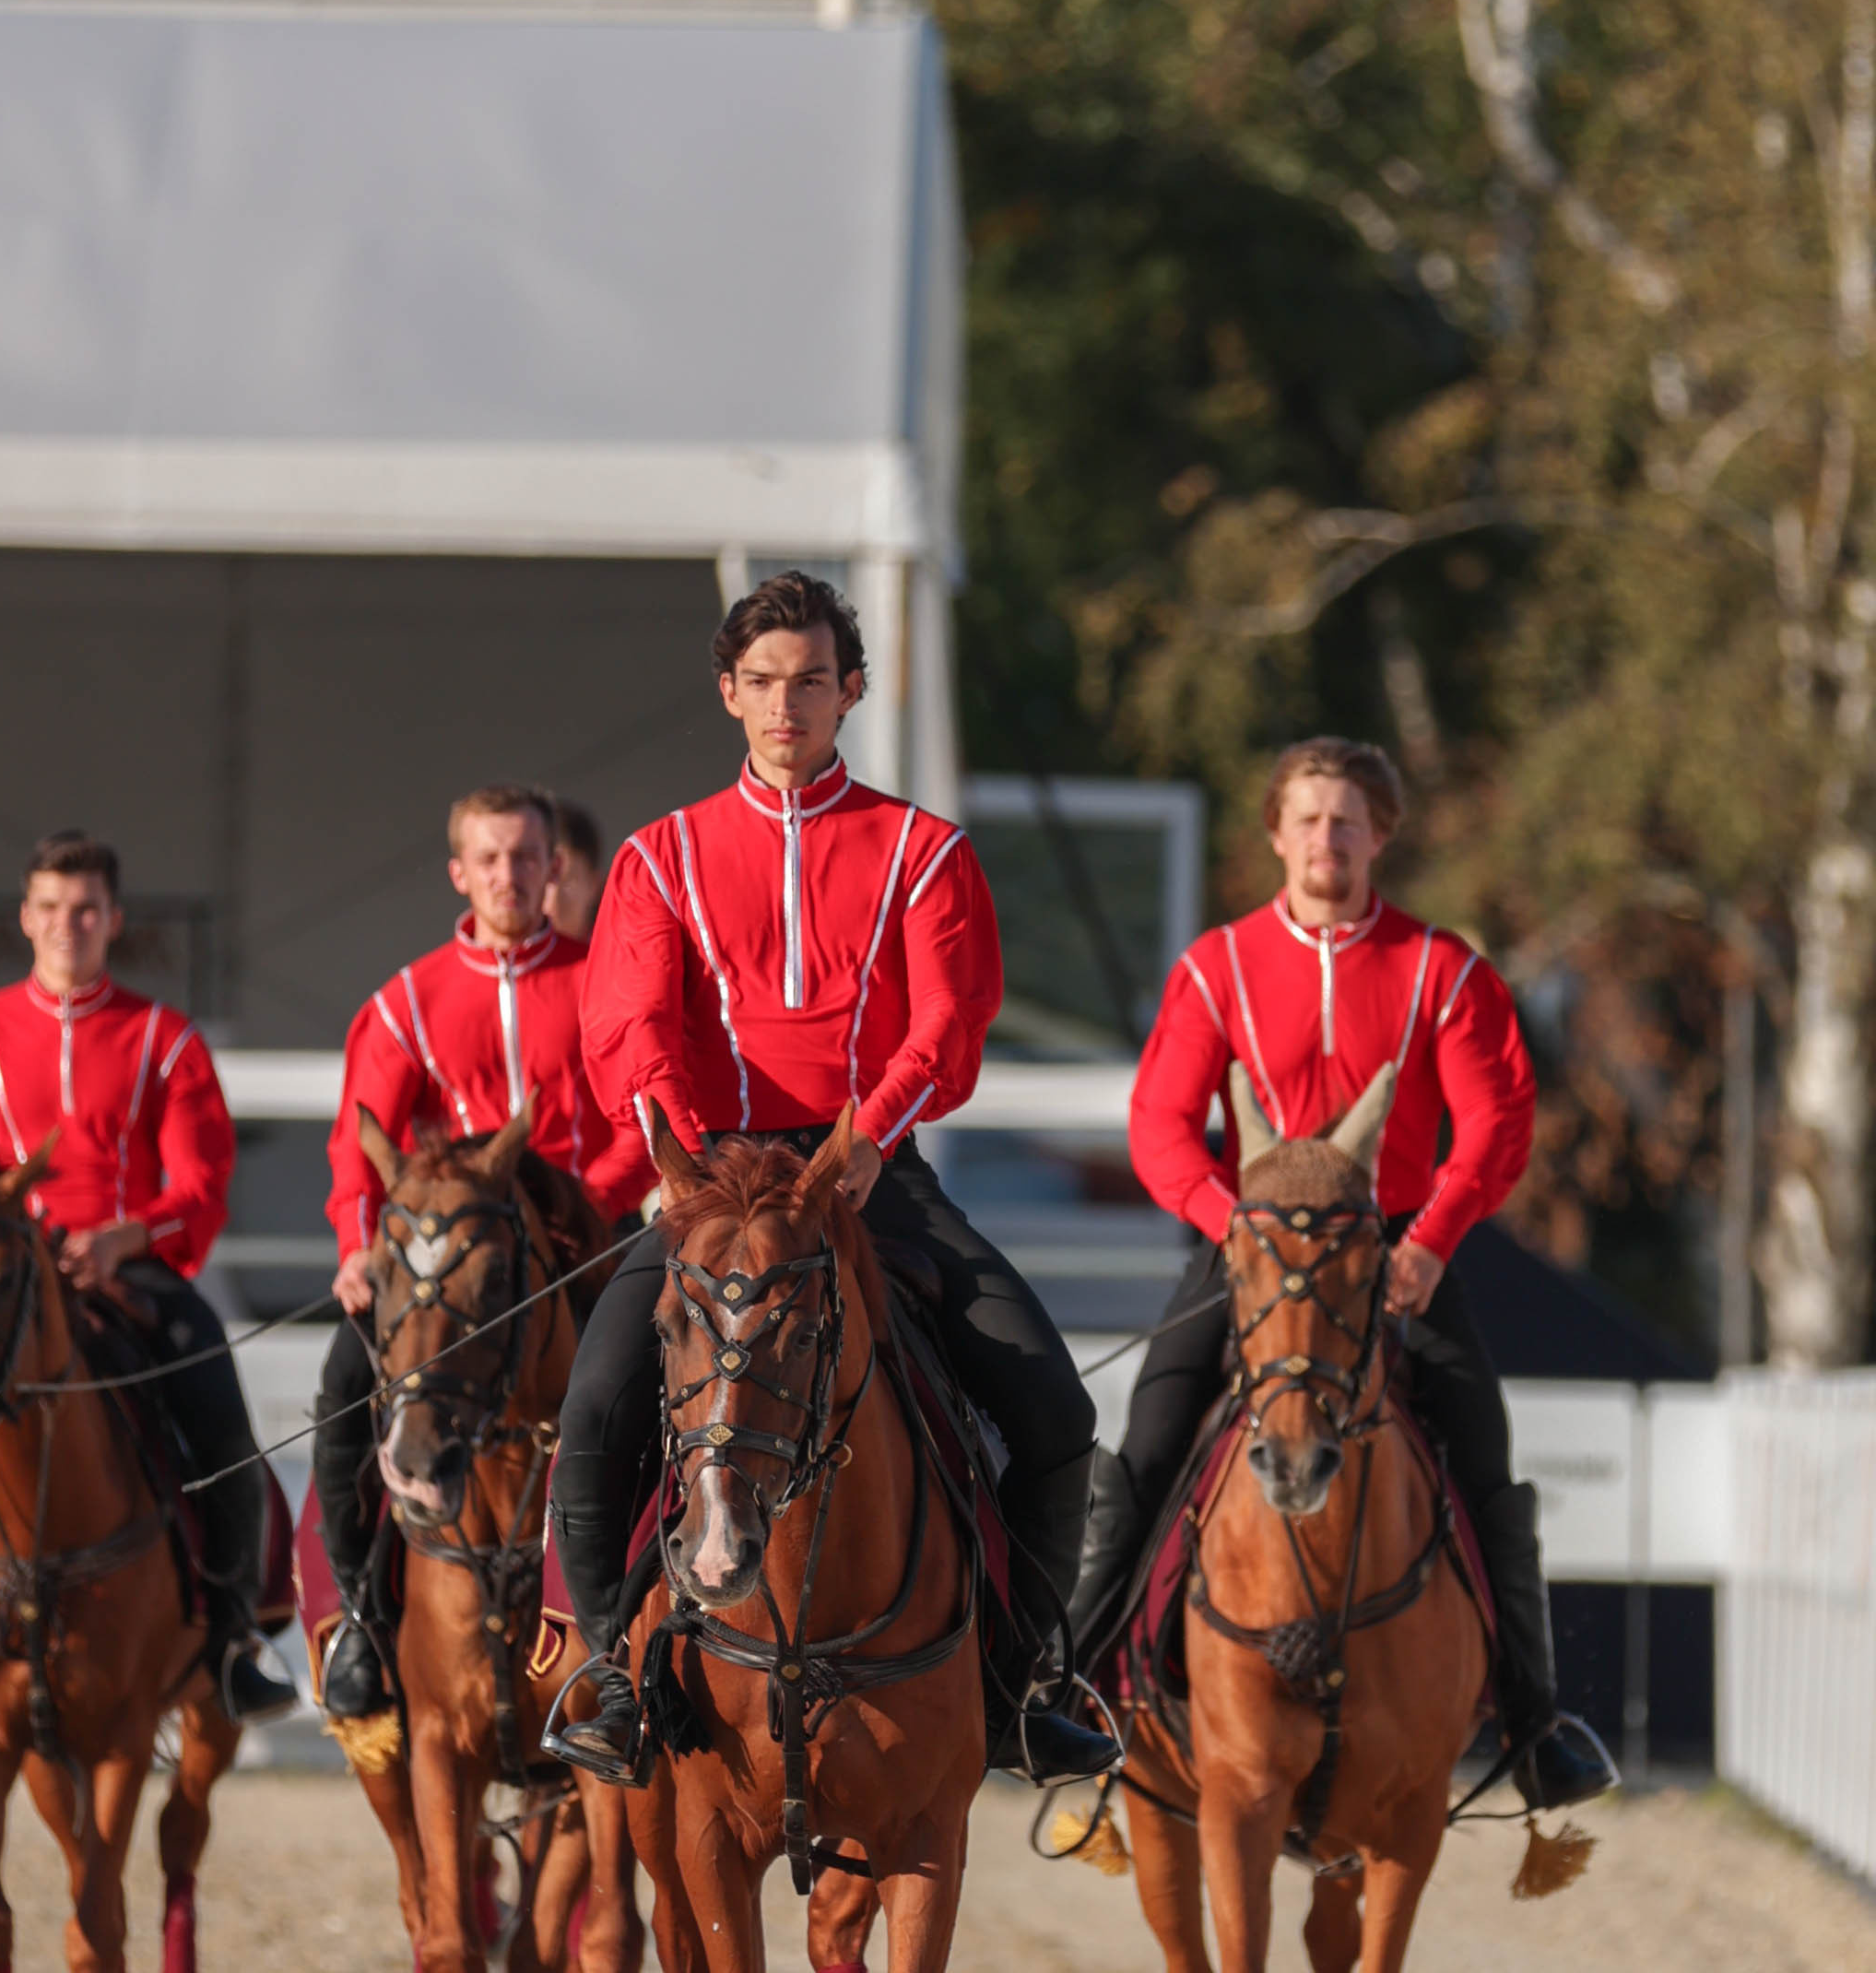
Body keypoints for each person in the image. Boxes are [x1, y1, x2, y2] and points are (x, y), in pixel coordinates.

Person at [546, 568, 1110, 1786]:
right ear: (727, 692)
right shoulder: (659, 856)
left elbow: (948, 1018)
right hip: (715, 1179)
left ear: (851, 690)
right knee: (593, 1409)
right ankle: (606, 1674)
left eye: (810, 680)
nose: (784, 703)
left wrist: (865, 1139)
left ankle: (1021, 1684)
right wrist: (685, 1161)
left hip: (865, 1168)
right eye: (762, 681)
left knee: (1056, 1411)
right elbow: (633, 1023)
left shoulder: (923, 848)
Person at [1065, 736, 1614, 1814]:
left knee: (1482, 1446)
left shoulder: (1442, 970)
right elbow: (1160, 1124)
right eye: (1309, 818)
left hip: (1396, 1246)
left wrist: (1432, 1241)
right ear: (1277, 834)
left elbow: (1496, 1121)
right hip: (1252, 1241)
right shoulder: (1216, 966)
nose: (1328, 837)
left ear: (1380, 836)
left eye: (1348, 820)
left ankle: (1533, 1718)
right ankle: (1073, 1680)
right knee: (1153, 1429)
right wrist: (1232, 1225)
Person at [0, 832, 297, 1731]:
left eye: (85, 909)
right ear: (25, 917)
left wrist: (125, 1236)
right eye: (50, 907)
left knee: (220, 1419)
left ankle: (232, 1646)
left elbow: (201, 1184)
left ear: (113, 920)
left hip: (128, 1272)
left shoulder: (165, 1039)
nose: (67, 925)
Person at [312, 786, 654, 1721]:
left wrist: (584, 1209)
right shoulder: (404, 1003)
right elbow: (358, 1146)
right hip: (446, 1265)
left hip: (587, 1244)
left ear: (555, 869)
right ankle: (360, 1617)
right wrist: (355, 1247)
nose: (510, 875)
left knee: (683, 1378)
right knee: (344, 1385)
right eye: (491, 859)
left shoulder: (606, 982)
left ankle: (666, 1626)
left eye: (526, 857)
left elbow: (642, 1118)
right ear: (460, 873)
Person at [543, 798, 607, 942]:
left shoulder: (618, 953)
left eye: (569, 882)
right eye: (543, 882)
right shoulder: (496, 954)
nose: (553, 902)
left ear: (595, 885)